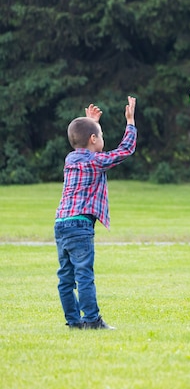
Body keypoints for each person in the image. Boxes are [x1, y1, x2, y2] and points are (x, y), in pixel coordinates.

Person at [54, 96, 137, 330]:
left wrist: (90, 123)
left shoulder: (71, 158)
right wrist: (130, 122)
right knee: (84, 275)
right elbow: (125, 150)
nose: (103, 140)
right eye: (100, 136)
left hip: (61, 223)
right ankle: (92, 320)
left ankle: (73, 321)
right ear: (93, 139)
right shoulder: (95, 161)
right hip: (80, 225)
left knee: (66, 277)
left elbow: (85, 144)